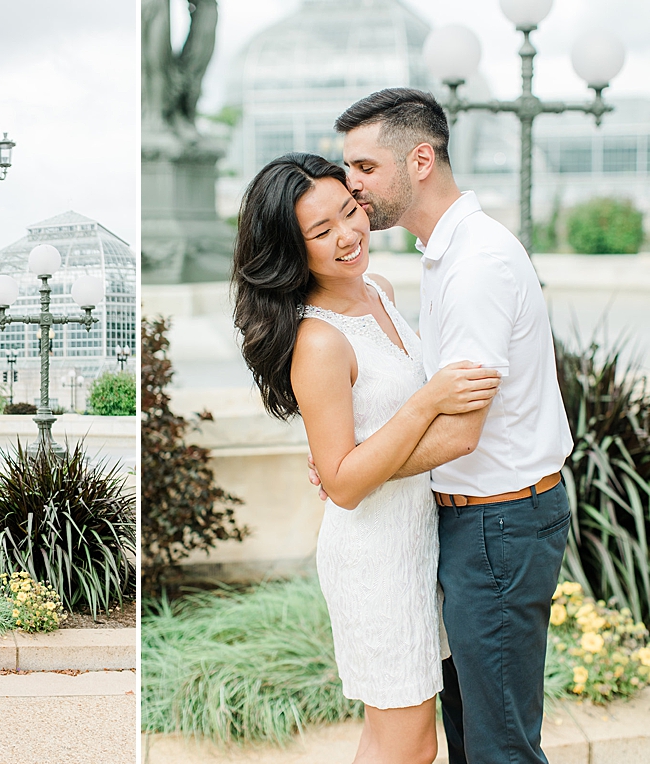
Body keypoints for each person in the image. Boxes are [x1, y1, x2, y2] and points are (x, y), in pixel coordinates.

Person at [329, 88, 574, 764]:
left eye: (365, 169)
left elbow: (461, 433)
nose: (353, 189)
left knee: (499, 748)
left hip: (498, 524)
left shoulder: (474, 265)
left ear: (422, 158)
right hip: (483, 522)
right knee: (472, 738)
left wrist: (352, 467)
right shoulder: (442, 252)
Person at [232, 152, 501, 764]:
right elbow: (345, 484)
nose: (348, 235)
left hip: (418, 535)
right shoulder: (318, 340)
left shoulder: (381, 289)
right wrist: (428, 400)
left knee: (390, 739)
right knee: (410, 746)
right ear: (290, 252)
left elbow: (354, 450)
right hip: (375, 555)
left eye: (350, 212)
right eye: (321, 233)